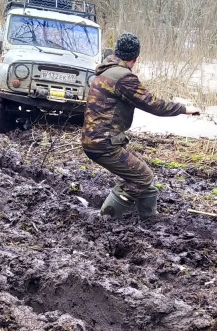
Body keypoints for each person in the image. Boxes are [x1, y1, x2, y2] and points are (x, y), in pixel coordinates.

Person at [82, 32, 200, 218]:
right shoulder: (123, 77)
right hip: (104, 144)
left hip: (96, 140)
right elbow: (153, 104)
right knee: (142, 177)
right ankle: (104, 220)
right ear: (135, 58)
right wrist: (185, 109)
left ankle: (149, 220)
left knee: (142, 174)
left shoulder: (105, 72)